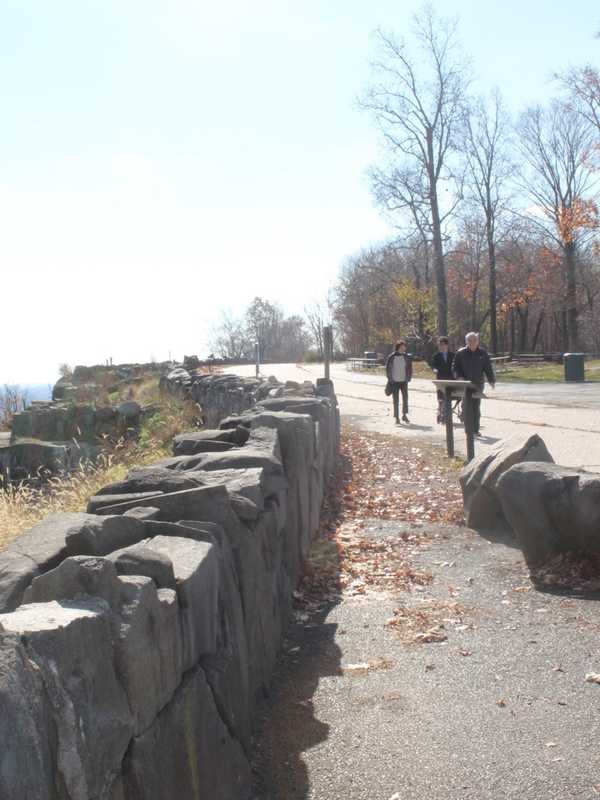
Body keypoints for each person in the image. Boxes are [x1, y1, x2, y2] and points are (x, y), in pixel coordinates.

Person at [452, 332, 495, 435]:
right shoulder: (461, 353)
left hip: (478, 384)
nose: (472, 343)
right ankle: (468, 430)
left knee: (476, 407)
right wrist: (459, 377)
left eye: (475, 340)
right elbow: (455, 367)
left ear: (478, 341)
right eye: (470, 341)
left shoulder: (482, 353)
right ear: (466, 342)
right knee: (467, 407)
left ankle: (475, 430)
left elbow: (488, 368)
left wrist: (491, 380)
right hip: (465, 384)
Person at [385, 341, 413, 424]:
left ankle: (404, 415)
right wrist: (390, 379)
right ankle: (396, 417)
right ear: (398, 348)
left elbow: (409, 368)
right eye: (402, 347)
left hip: (404, 381)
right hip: (394, 382)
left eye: (404, 347)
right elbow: (388, 369)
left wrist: (409, 377)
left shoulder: (406, 357)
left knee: (405, 399)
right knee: (396, 400)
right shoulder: (391, 357)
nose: (404, 348)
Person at [431, 336, 455, 424]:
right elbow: (433, 365)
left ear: (447, 345)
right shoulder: (436, 356)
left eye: (443, 345)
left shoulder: (453, 355)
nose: (441, 347)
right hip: (440, 379)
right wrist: (434, 369)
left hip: (451, 379)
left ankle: (446, 414)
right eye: (440, 345)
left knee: (449, 398)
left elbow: (456, 366)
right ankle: (441, 413)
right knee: (441, 399)